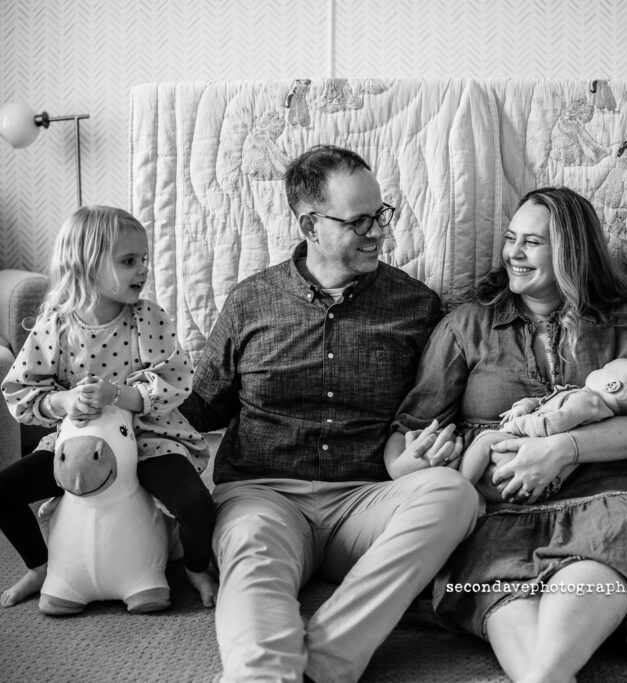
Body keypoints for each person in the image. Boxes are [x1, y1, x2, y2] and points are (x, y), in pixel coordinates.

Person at [179, 145, 480, 683]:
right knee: (250, 550)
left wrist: (430, 449)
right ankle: (262, 676)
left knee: (453, 494)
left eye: (380, 215)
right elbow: (203, 405)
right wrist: (126, 398)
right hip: (263, 495)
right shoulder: (251, 301)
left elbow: (431, 409)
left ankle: (328, 661)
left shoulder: (416, 305)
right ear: (309, 225)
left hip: (366, 503)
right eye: (358, 220)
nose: (377, 232)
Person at [387, 187, 627, 682]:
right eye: (511, 238)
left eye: (532, 242)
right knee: (492, 565)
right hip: (495, 505)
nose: (514, 252)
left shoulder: (619, 323)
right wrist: (411, 469)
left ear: (571, 252)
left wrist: (561, 448)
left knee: (623, 531)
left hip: (606, 492)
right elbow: (411, 428)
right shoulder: (468, 324)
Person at [0, 206, 217, 609]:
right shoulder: (56, 324)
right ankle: (40, 567)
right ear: (88, 266)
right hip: (76, 444)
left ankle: (196, 569)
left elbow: (176, 379)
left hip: (149, 438)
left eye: (144, 259)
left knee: (196, 503)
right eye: (129, 261)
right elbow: (20, 391)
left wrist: (117, 395)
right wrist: (64, 400)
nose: (143, 269)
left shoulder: (147, 317)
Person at [460, 357, 627, 502]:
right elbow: (546, 402)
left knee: (486, 439)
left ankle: (464, 488)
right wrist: (524, 406)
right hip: (545, 483)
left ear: (612, 385)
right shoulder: (591, 406)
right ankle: (478, 498)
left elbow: (551, 424)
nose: (598, 368)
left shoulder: (586, 402)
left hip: (527, 457)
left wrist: (517, 424)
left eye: (603, 368)